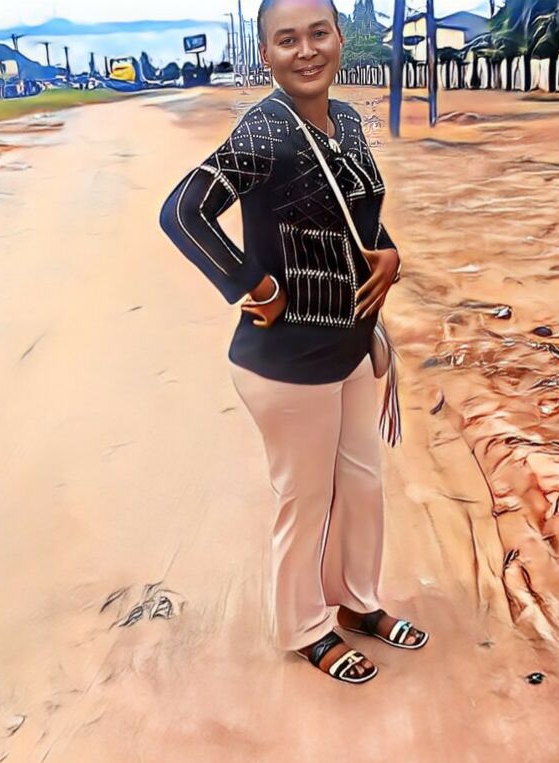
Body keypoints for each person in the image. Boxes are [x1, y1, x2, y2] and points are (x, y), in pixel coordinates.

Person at [159, 0, 429, 684]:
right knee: (305, 499)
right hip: (287, 362)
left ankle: (359, 602)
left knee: (362, 485)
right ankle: (305, 628)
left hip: (353, 347)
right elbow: (183, 211)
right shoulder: (265, 130)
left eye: (318, 33)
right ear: (266, 54)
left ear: (339, 39)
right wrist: (254, 284)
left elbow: (360, 218)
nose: (306, 50)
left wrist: (389, 253)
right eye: (287, 40)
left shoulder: (348, 123)